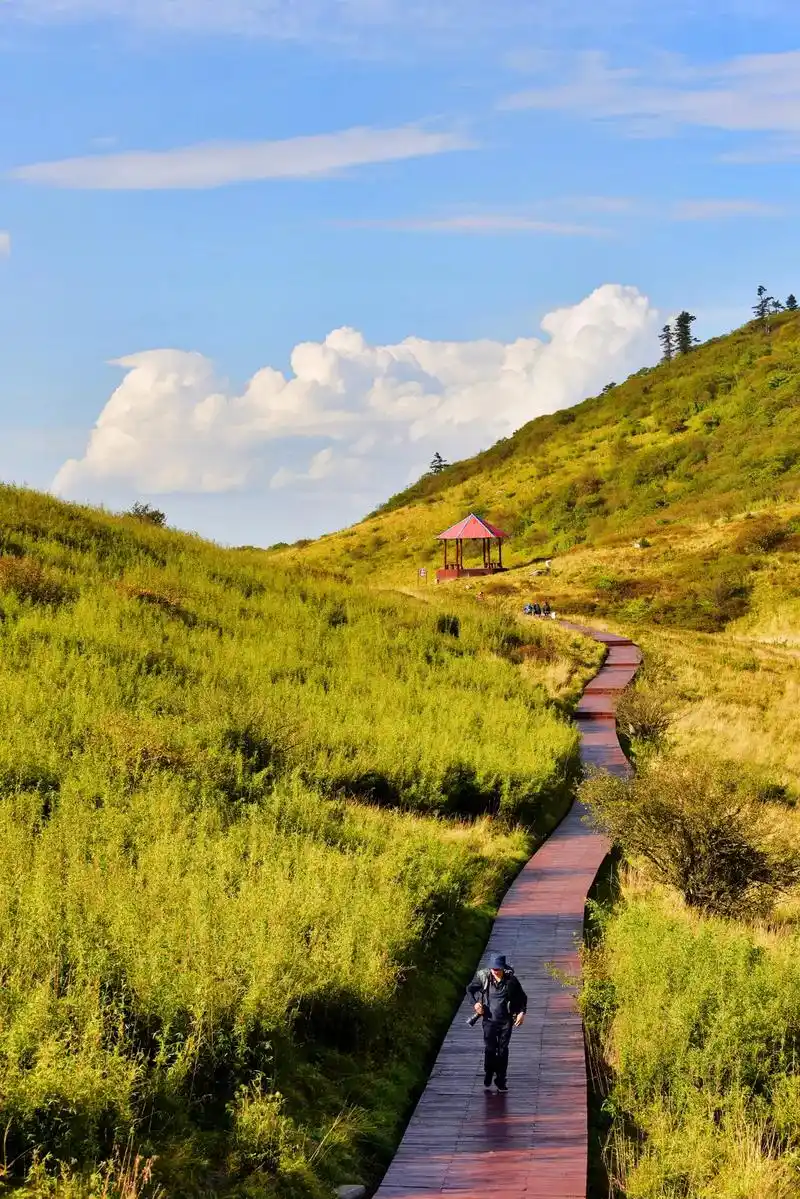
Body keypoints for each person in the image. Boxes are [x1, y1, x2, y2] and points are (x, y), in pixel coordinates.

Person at [467, 953, 527, 1091]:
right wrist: (475, 1004)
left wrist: (521, 1013)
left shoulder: (511, 981)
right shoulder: (484, 978)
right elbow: (469, 989)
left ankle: (501, 1079)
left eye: (498, 969)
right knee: (490, 1049)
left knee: (503, 1050)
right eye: (493, 968)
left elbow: (522, 998)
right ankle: (489, 1071)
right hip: (489, 1020)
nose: (495, 971)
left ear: (503, 968)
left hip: (506, 1021)